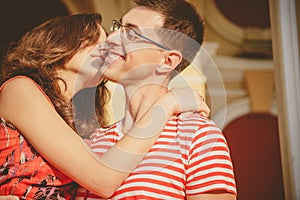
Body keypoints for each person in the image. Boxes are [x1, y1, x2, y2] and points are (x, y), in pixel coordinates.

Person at [0, 13, 210, 199]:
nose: (109, 43)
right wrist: (167, 103)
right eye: (95, 39)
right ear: (62, 41)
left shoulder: (82, 130)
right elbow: (102, 179)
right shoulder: (20, 89)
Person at [75, 0, 237, 199]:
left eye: (132, 33)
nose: (113, 37)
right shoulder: (96, 139)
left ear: (167, 61)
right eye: (119, 26)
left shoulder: (198, 136)